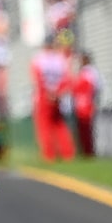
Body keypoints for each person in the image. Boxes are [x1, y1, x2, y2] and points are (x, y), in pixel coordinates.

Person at [30, 33, 75, 162]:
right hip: (57, 97)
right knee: (59, 125)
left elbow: (37, 80)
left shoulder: (38, 59)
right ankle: (67, 154)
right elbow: (66, 79)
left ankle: (49, 155)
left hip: (43, 97)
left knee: (44, 127)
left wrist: (48, 93)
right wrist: (58, 93)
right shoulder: (60, 59)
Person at [71, 50, 100, 157]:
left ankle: (89, 152)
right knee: (82, 130)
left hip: (87, 105)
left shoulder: (90, 72)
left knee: (87, 130)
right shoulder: (83, 71)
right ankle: (85, 152)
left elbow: (92, 88)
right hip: (81, 105)